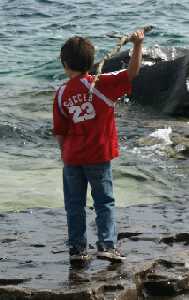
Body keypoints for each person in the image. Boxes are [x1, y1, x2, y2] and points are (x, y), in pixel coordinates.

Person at [53, 30, 144, 264]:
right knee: (104, 202)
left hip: (72, 158)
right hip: (98, 156)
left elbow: (60, 131)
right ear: (92, 62)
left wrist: (65, 154)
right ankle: (106, 245)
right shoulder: (101, 84)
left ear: (64, 64)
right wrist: (137, 45)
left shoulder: (61, 92)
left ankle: (76, 249)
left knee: (74, 205)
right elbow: (133, 73)